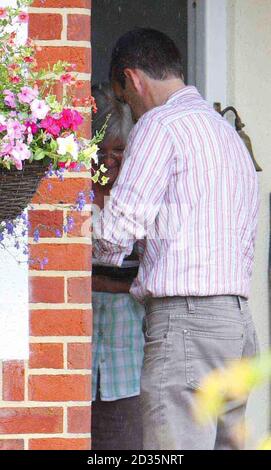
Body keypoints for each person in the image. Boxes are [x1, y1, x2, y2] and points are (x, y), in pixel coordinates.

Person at [93, 29, 260, 450]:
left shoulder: (160, 125)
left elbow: (115, 234)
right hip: (237, 324)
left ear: (132, 80)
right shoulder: (225, 135)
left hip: (187, 322)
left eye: (125, 97)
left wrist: (65, 232)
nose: (131, 108)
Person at [91, 83, 145, 450]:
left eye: (119, 151)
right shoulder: (77, 196)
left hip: (128, 363)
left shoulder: (139, 198)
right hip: (80, 361)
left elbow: (152, 275)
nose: (108, 160)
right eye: (100, 151)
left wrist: (98, 280)